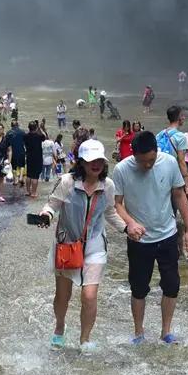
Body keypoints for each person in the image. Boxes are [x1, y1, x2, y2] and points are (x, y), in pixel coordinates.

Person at [36, 139, 126, 351]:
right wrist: (46, 214)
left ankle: (85, 340)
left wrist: (126, 229)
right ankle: (59, 328)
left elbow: (110, 211)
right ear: (81, 163)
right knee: (63, 296)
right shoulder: (67, 182)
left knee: (89, 295)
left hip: (94, 244)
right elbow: (52, 205)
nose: (96, 164)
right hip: (67, 244)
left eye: (99, 160)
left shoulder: (108, 185)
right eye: (90, 160)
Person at [113, 131, 188, 344]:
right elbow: (117, 203)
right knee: (139, 288)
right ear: (134, 155)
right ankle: (139, 332)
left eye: (150, 160)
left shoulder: (168, 163)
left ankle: (165, 331)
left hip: (167, 235)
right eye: (142, 161)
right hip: (139, 240)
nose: (147, 165)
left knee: (172, 285)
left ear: (156, 152)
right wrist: (130, 223)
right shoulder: (122, 169)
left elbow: (179, 195)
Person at [157, 106, 188, 260]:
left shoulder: (160, 135)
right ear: (179, 117)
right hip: (174, 181)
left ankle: (169, 247)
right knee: (177, 215)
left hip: (160, 181)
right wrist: (187, 184)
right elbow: (181, 161)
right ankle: (177, 250)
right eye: (183, 116)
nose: (184, 118)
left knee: (167, 215)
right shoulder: (180, 137)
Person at [24, 121, 45, 198]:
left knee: (29, 175)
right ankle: (33, 193)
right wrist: (40, 128)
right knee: (35, 176)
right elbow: (45, 136)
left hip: (29, 157)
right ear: (36, 128)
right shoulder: (39, 136)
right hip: (37, 157)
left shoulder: (25, 136)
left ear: (28, 128)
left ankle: (27, 191)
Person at [7, 120, 27, 188]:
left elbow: (7, 144)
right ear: (18, 125)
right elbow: (25, 142)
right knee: (22, 165)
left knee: (14, 166)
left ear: (11, 125)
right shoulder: (22, 132)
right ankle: (21, 177)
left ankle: (15, 180)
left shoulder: (9, 133)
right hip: (21, 150)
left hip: (12, 152)